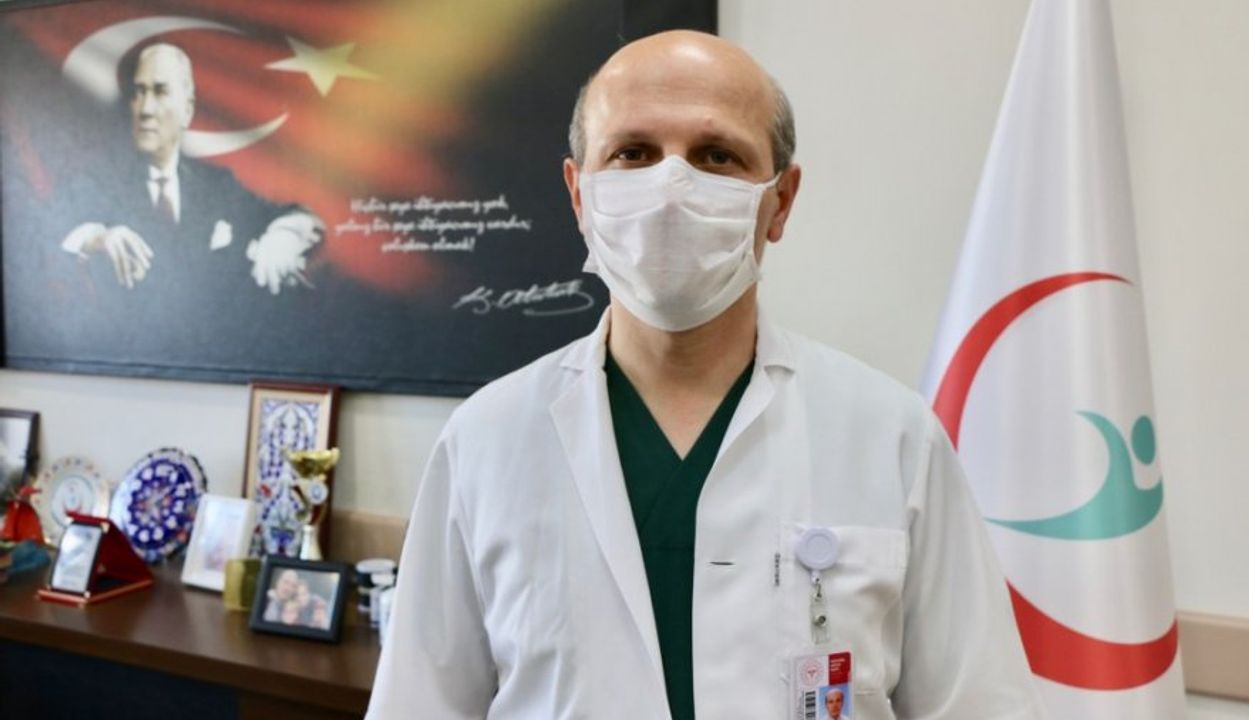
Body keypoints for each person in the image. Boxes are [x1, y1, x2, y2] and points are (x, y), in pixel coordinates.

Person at [367, 30, 1045, 719]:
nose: (672, 189)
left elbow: (981, 706)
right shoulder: (485, 439)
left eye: (716, 156)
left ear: (781, 201)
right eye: (633, 153)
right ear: (579, 195)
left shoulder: (893, 436)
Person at [59, 43, 322, 296]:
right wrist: (100, 239)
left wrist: (283, 238)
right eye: (139, 92)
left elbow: (300, 217)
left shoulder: (217, 184)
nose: (145, 108)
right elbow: (56, 234)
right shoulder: (98, 179)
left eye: (160, 92)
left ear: (187, 110)